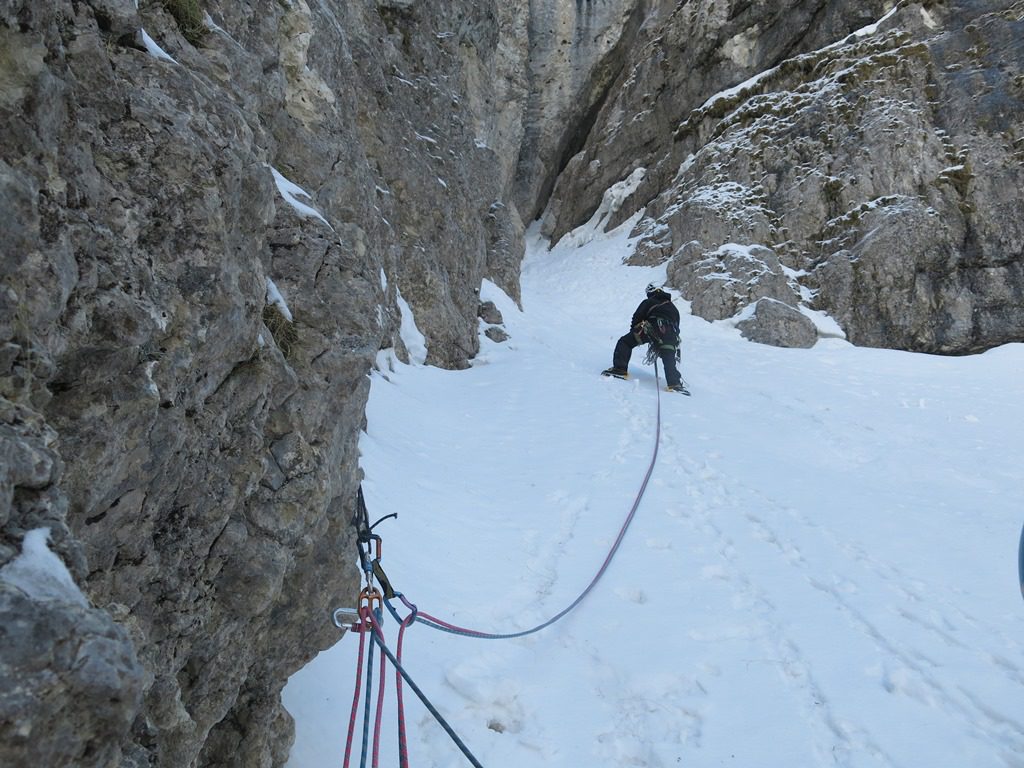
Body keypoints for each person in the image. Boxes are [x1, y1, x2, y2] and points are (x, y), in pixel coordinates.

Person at [602, 284, 688, 393]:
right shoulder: (673, 307)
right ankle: (675, 384)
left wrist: (634, 332)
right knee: (668, 357)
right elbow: (676, 324)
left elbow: (638, 317)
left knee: (625, 342)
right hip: (671, 335)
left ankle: (620, 369)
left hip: (652, 328)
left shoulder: (650, 301)